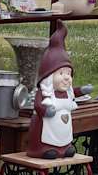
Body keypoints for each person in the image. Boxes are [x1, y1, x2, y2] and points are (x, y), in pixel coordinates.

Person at [27, 23, 92, 159]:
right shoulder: (45, 92)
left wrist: (82, 90)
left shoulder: (67, 92)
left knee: (64, 134)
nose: (66, 77)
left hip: (63, 130)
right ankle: (44, 149)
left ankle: (64, 147)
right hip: (45, 132)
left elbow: (74, 92)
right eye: (61, 73)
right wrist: (45, 111)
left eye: (68, 73)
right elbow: (38, 105)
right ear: (49, 76)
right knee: (47, 139)